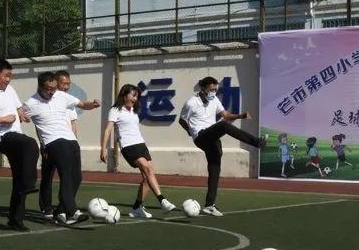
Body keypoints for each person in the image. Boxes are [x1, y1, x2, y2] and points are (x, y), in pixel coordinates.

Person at [179, 76, 267, 216]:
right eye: (211, 89)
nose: (214, 92)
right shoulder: (191, 102)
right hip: (201, 136)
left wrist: (240, 116)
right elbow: (182, 120)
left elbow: (225, 115)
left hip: (212, 136)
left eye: (216, 89)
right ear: (203, 89)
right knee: (224, 126)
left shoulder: (214, 100)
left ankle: (209, 205)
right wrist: (191, 132)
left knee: (215, 169)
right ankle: (257, 142)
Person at [24, 71, 100, 225]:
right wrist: (20, 115)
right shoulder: (31, 103)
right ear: (40, 87)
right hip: (53, 141)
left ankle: (60, 211)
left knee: (76, 177)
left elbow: (82, 104)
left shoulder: (61, 96)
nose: (52, 92)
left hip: (70, 140)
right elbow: (18, 112)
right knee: (64, 173)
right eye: (49, 89)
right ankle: (71, 211)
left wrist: (92, 104)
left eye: (54, 88)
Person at [0, 59, 39, 232]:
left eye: (9, 76)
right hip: (3, 137)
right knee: (31, 144)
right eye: (5, 76)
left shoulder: (10, 90)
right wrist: (4, 119)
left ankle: (15, 220)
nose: (8, 79)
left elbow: (18, 108)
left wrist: (22, 115)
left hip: (16, 137)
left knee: (18, 178)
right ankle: (29, 184)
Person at [100, 84, 176, 218]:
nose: (135, 99)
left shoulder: (133, 111)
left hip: (141, 144)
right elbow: (108, 130)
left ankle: (136, 208)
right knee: (147, 168)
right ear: (124, 95)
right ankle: (162, 200)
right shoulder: (115, 110)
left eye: (137, 96)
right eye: (133, 95)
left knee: (148, 176)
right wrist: (103, 149)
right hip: (128, 146)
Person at [38, 70, 77, 219]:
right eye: (64, 83)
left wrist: (74, 142)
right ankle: (46, 207)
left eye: (68, 84)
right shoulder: (45, 100)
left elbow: (73, 123)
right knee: (47, 175)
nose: (66, 87)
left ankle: (62, 207)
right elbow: (40, 124)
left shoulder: (68, 100)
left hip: (67, 143)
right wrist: (43, 144)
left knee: (69, 176)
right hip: (50, 143)